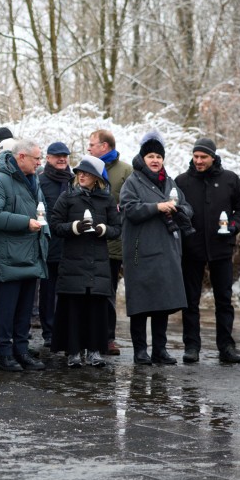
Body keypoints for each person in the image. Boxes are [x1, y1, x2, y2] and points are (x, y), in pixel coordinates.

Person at [174, 137, 240, 364]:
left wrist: (234, 226)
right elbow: (176, 211)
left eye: (203, 157)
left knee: (224, 300)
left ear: (213, 157)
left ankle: (226, 346)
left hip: (221, 248)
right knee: (190, 300)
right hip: (192, 249)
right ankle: (191, 346)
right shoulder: (182, 181)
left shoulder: (229, 179)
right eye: (195, 156)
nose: (198, 161)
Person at [120, 131, 193, 366]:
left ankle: (160, 350)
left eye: (158, 157)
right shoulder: (132, 181)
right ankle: (140, 350)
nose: (155, 160)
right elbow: (130, 209)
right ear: (143, 158)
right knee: (141, 304)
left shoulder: (170, 182)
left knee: (162, 303)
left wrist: (180, 210)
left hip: (167, 250)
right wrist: (157, 207)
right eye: (150, 156)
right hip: (141, 252)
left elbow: (187, 207)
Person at [0, 140, 49, 372]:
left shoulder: (34, 180)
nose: (40, 163)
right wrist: (25, 223)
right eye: (36, 158)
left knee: (25, 309)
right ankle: (5, 353)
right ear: (21, 157)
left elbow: (42, 210)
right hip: (8, 256)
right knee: (6, 308)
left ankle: (22, 350)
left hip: (31, 254)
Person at [49, 155, 121, 367]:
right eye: (80, 172)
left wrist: (103, 230)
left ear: (97, 178)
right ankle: (73, 352)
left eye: (87, 173)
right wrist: (74, 227)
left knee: (96, 310)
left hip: (97, 264)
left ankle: (94, 351)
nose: (81, 175)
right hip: (73, 262)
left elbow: (117, 229)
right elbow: (55, 225)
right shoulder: (67, 197)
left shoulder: (107, 200)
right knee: (73, 309)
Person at [87, 129, 133, 355]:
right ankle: (86, 337)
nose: (88, 148)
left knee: (108, 293)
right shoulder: (86, 168)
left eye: (92, 144)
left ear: (104, 146)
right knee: (86, 292)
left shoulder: (125, 171)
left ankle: (108, 338)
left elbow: (131, 204)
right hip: (87, 243)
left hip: (112, 245)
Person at [37, 141, 73, 350]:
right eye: (57, 155)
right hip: (48, 245)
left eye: (65, 156)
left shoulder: (74, 181)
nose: (61, 159)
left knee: (68, 291)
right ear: (48, 158)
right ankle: (49, 332)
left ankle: (66, 330)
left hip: (70, 245)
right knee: (48, 292)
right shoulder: (40, 181)